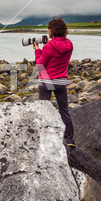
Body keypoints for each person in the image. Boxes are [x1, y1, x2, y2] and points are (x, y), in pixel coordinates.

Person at [33, 17, 75, 148]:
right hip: (61, 81)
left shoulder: (49, 46)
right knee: (64, 110)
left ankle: (45, 139)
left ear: (51, 31)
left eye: (48, 29)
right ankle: (70, 140)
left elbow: (40, 64)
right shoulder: (69, 44)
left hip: (46, 81)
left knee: (43, 110)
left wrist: (37, 50)